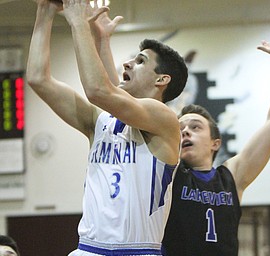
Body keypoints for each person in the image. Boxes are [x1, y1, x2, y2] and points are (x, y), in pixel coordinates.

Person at [27, 1, 187, 256]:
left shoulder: (165, 119)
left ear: (161, 79)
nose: (127, 64)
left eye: (140, 61)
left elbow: (99, 91)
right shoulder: (100, 121)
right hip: (89, 249)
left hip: (137, 251)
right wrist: (45, 12)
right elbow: (38, 78)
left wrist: (78, 22)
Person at [161, 41, 270, 256]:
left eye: (195, 127)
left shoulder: (231, 176)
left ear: (216, 143)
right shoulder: (169, 173)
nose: (185, 132)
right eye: (180, 129)